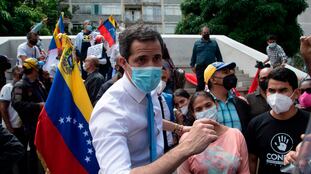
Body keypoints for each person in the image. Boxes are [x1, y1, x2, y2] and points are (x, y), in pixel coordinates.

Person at [90, 24, 218, 174]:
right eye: (141, 59)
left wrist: (180, 129)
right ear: (123, 62)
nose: (151, 66)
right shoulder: (109, 111)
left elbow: (150, 118)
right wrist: (186, 147)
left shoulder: (149, 90)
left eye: (157, 58)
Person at [245, 67, 310, 174]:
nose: (276, 95)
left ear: (297, 93)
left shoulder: (309, 122)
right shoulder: (256, 124)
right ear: (266, 92)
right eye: (272, 90)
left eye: (283, 90)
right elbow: (252, 160)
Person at [178, 91, 249, 174]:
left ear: (216, 105)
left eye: (208, 105)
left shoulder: (236, 135)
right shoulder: (187, 139)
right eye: (199, 109)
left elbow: (244, 171)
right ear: (193, 114)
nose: (205, 111)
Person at [11, 58, 48, 174]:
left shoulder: (38, 83)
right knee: (29, 154)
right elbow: (17, 104)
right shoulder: (20, 86)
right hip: (27, 125)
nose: (40, 70)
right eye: (38, 68)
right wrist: (38, 106)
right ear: (33, 69)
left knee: (37, 153)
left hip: (39, 123)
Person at [204, 62, 250, 133]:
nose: (231, 74)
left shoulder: (241, 103)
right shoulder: (202, 105)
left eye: (230, 71)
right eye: (225, 72)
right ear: (213, 80)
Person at [190, 26, 223, 91]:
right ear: (201, 33)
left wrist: (221, 65)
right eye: (204, 32)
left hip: (211, 67)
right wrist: (192, 65)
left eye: (207, 32)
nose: (206, 33)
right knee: (200, 84)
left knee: (211, 83)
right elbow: (194, 55)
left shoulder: (214, 43)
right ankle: (198, 98)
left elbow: (218, 55)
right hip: (200, 67)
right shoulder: (197, 43)